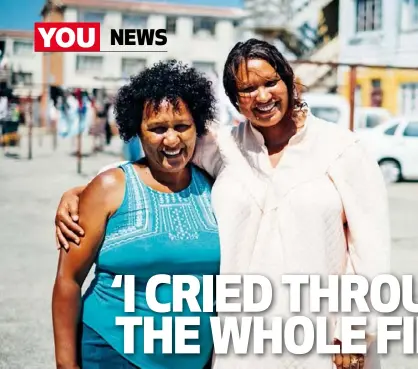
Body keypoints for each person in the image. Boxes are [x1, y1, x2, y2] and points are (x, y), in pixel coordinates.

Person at [54, 39, 391, 369]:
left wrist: (355, 329)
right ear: (233, 100)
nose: (262, 97)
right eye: (246, 90)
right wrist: (81, 193)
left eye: (270, 82)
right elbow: (155, 163)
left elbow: (371, 252)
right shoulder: (224, 147)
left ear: (287, 80)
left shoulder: (343, 149)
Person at [51, 60, 220, 369]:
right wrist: (66, 365)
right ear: (137, 132)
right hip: (113, 353)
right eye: (157, 129)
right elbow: (68, 280)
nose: (171, 139)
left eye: (182, 126)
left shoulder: (214, 187)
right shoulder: (109, 188)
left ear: (197, 126)